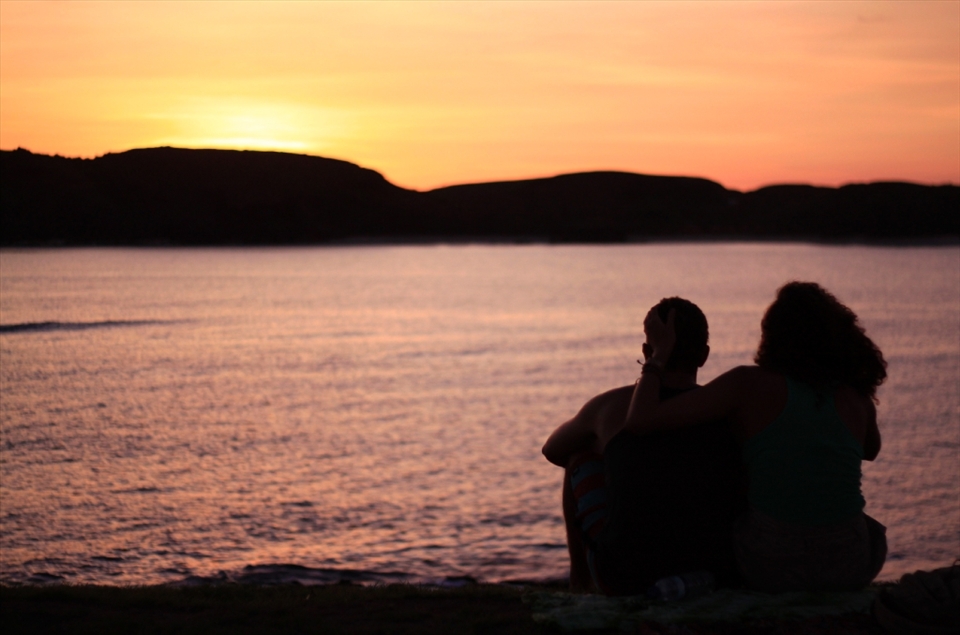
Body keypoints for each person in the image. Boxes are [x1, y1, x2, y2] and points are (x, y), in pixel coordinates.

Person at [627, 281, 887, 592]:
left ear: (771, 336)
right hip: (850, 565)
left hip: (770, 564)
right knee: (866, 526)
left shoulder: (746, 384)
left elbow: (641, 420)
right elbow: (870, 450)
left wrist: (657, 357)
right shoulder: (855, 398)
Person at [542, 297, 746, 595]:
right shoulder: (724, 408)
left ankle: (581, 583)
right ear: (704, 356)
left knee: (579, 455)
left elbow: (553, 450)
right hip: (712, 567)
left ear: (647, 352)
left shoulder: (611, 406)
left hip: (626, 575)